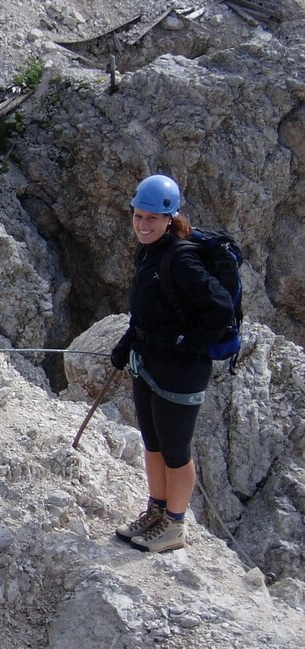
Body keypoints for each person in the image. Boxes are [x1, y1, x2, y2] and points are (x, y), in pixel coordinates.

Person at [110, 175, 233, 553]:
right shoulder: (150, 252)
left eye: (152, 219)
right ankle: (157, 511)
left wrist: (185, 342)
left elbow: (221, 309)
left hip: (181, 369)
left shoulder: (180, 257)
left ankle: (174, 527)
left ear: (169, 218)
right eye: (137, 217)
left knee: (176, 450)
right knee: (153, 442)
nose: (143, 226)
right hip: (149, 362)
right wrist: (128, 342)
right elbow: (148, 309)